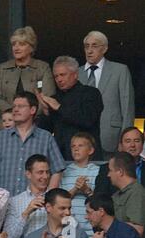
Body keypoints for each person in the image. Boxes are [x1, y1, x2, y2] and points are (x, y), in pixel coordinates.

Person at [0, 91, 66, 196]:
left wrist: (48, 197)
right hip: (4, 204)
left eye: (20, 106)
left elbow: (57, 170)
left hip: (35, 204)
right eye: (14, 106)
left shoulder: (46, 137)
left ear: (32, 110)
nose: (15, 109)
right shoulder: (0, 137)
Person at [78, 31, 135, 159]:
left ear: (104, 48)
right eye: (87, 46)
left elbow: (127, 107)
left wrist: (124, 140)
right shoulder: (77, 73)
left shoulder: (119, 70)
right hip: (82, 140)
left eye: (94, 46)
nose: (89, 50)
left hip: (111, 138)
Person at [37, 56, 104, 161]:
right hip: (60, 159)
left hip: (87, 160)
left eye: (63, 75)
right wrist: (45, 112)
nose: (59, 79)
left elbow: (87, 120)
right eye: (56, 76)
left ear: (75, 75)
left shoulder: (91, 93)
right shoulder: (55, 99)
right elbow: (45, 130)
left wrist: (59, 108)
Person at [0, 26, 55, 131]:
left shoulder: (43, 68)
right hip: (5, 124)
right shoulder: (1, 68)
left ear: (31, 48)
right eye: (14, 44)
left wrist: (28, 116)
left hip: (35, 124)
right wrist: (13, 114)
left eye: (22, 44)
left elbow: (47, 97)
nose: (16, 48)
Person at [59, 132, 100, 236]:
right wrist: (75, 189)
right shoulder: (64, 172)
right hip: (69, 223)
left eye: (80, 145)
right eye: (73, 146)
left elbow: (100, 201)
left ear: (90, 150)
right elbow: (60, 200)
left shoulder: (98, 171)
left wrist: (86, 190)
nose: (76, 149)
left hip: (92, 226)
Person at [3, 154, 50, 238]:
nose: (45, 176)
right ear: (28, 174)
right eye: (40, 172)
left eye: (47, 172)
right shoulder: (14, 202)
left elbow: (69, 229)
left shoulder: (56, 198)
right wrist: (26, 213)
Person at [22, 188, 89, 238]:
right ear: (48, 207)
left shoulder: (80, 236)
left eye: (69, 208)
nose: (68, 213)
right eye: (62, 208)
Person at [95, 127, 145, 196]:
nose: (132, 145)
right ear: (120, 146)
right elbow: (100, 197)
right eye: (128, 141)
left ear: (142, 145)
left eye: (136, 141)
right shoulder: (106, 169)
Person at [108, 152, 145, 238]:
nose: (108, 175)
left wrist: (109, 224)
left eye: (110, 170)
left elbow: (138, 230)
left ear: (120, 172)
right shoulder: (118, 194)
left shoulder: (136, 193)